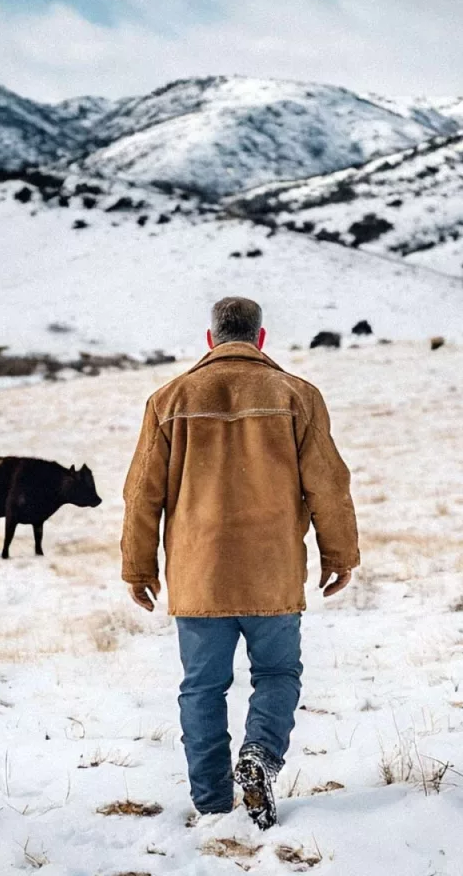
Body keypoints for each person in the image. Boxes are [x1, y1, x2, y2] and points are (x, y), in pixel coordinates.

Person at [120, 296, 360, 829]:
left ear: (211, 339)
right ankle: (260, 757)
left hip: (197, 573)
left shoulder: (169, 399)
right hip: (271, 571)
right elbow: (329, 482)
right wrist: (339, 554)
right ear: (261, 338)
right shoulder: (298, 395)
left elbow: (142, 494)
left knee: (202, 689)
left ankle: (211, 804)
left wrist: (139, 569)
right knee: (277, 673)